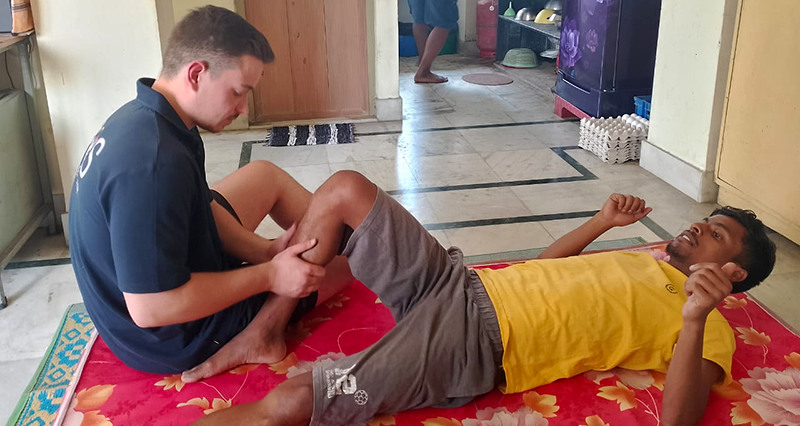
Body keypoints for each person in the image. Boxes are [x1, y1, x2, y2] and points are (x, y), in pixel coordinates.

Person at [195, 170, 776, 426]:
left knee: (298, 399)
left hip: (475, 339)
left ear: (733, 273)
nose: (698, 227)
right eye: (706, 220)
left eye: (715, 234)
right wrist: (600, 222)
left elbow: (678, 417)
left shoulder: (709, 326)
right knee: (345, 188)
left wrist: (695, 317)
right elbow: (542, 270)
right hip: (462, 283)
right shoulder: (645, 259)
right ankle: (267, 329)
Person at [68, 5, 352, 381]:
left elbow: (201, 202)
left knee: (264, 176)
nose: (243, 108)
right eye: (237, 92)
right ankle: (262, 334)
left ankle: (297, 254)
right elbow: (151, 308)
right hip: (171, 335)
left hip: (153, 286)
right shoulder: (155, 163)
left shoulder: (153, 115)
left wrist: (264, 252)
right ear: (196, 74)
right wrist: (269, 276)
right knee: (345, 263)